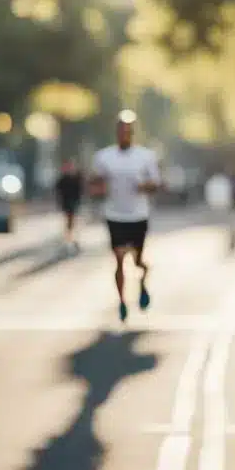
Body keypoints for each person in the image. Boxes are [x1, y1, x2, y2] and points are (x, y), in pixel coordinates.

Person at [89, 110, 162, 321]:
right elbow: (94, 183)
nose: (124, 134)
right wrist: (98, 188)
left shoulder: (145, 156)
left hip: (138, 215)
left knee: (138, 261)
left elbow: (156, 183)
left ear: (133, 133)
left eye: (128, 131)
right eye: (121, 131)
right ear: (116, 133)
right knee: (119, 259)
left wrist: (143, 186)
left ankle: (142, 282)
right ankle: (121, 301)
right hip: (115, 215)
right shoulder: (104, 157)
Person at [55, 159, 83, 249]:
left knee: (72, 221)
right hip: (67, 203)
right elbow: (58, 191)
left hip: (74, 202)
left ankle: (72, 238)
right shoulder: (62, 179)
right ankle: (70, 238)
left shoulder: (76, 178)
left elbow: (80, 190)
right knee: (69, 221)